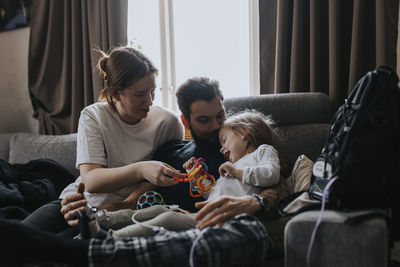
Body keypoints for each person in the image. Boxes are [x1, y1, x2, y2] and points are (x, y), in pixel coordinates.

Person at [21, 46, 186, 235]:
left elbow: (159, 178)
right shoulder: (93, 116)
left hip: (127, 212)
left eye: (152, 91)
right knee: (19, 238)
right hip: (79, 202)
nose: (149, 101)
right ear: (115, 93)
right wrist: (142, 168)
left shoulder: (168, 123)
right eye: (140, 94)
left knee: (65, 249)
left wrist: (125, 204)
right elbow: (91, 180)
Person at [78, 111, 282, 239]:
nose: (222, 149)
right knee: (156, 210)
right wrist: (197, 179)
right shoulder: (232, 166)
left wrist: (237, 171)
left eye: (224, 140)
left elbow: (271, 175)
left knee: (166, 219)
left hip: (219, 220)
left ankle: (111, 238)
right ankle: (102, 219)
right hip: (205, 211)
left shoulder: (263, 151)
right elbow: (209, 195)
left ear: (245, 133)